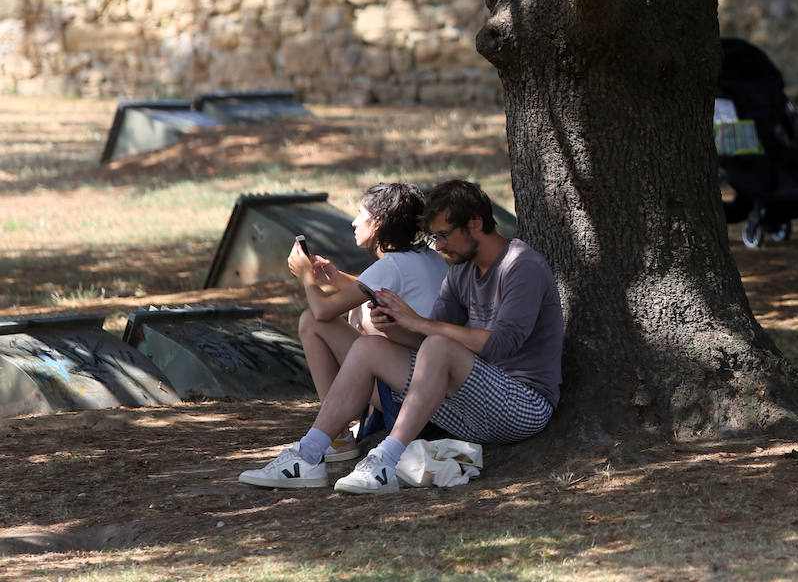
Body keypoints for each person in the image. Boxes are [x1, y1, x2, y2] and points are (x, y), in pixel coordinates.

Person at [239, 179, 564, 494]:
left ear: (476, 223)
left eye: (444, 235)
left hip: (523, 406)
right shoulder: (461, 271)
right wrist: (397, 329)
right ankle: (306, 457)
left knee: (435, 342)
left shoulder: (521, 265)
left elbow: (500, 344)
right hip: (470, 409)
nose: (438, 246)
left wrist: (420, 325)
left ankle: (385, 461)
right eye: (434, 237)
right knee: (370, 347)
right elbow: (431, 343)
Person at [292, 181, 448, 462]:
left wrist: (305, 276)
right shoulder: (426, 257)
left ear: (376, 224)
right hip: (434, 388)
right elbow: (375, 289)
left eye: (360, 214)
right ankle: (338, 431)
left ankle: (337, 436)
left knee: (311, 322)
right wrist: (337, 278)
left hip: (412, 397)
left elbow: (322, 313)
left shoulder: (391, 266)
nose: (353, 222)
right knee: (361, 314)